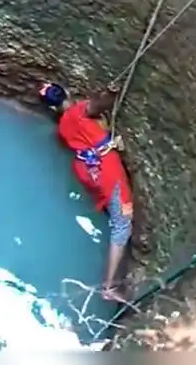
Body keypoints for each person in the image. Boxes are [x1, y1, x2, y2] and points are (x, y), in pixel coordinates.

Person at [39, 82, 134, 303]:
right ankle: (108, 287)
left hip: (88, 171)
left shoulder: (63, 126)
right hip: (107, 172)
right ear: (67, 93)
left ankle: (112, 212)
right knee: (122, 225)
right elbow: (97, 106)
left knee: (111, 208)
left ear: (52, 108)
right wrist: (110, 93)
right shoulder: (78, 111)